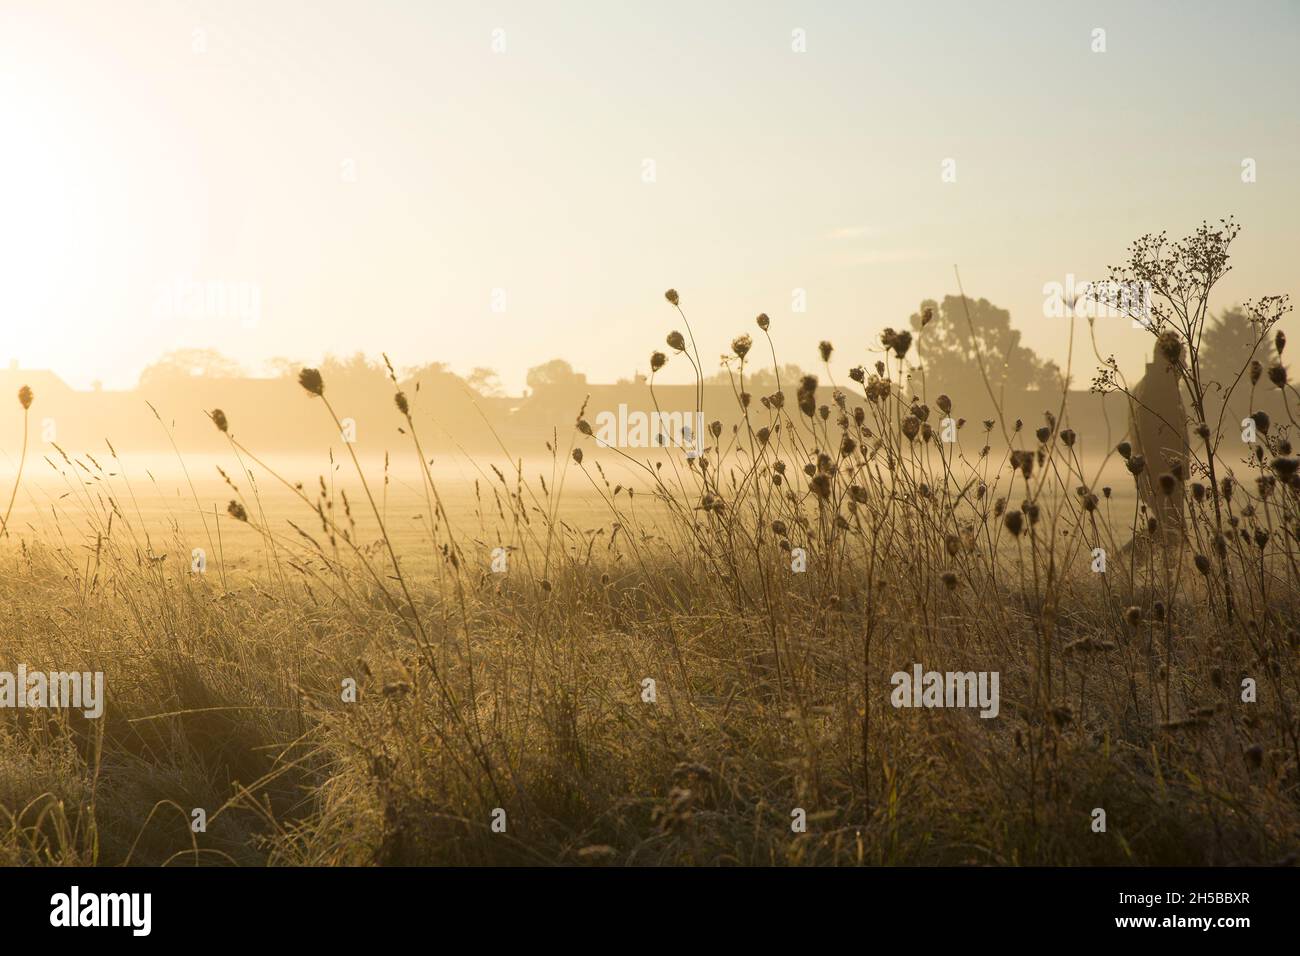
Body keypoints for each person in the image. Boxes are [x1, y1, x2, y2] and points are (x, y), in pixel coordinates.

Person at [1127, 341, 1190, 545]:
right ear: (1169, 358)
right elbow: (1149, 437)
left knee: (1169, 531)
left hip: (1164, 474)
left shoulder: (1156, 386)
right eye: (1182, 359)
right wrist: (1164, 479)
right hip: (1162, 475)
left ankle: (1119, 568)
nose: (1186, 366)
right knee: (1173, 532)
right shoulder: (1157, 390)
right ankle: (1117, 567)